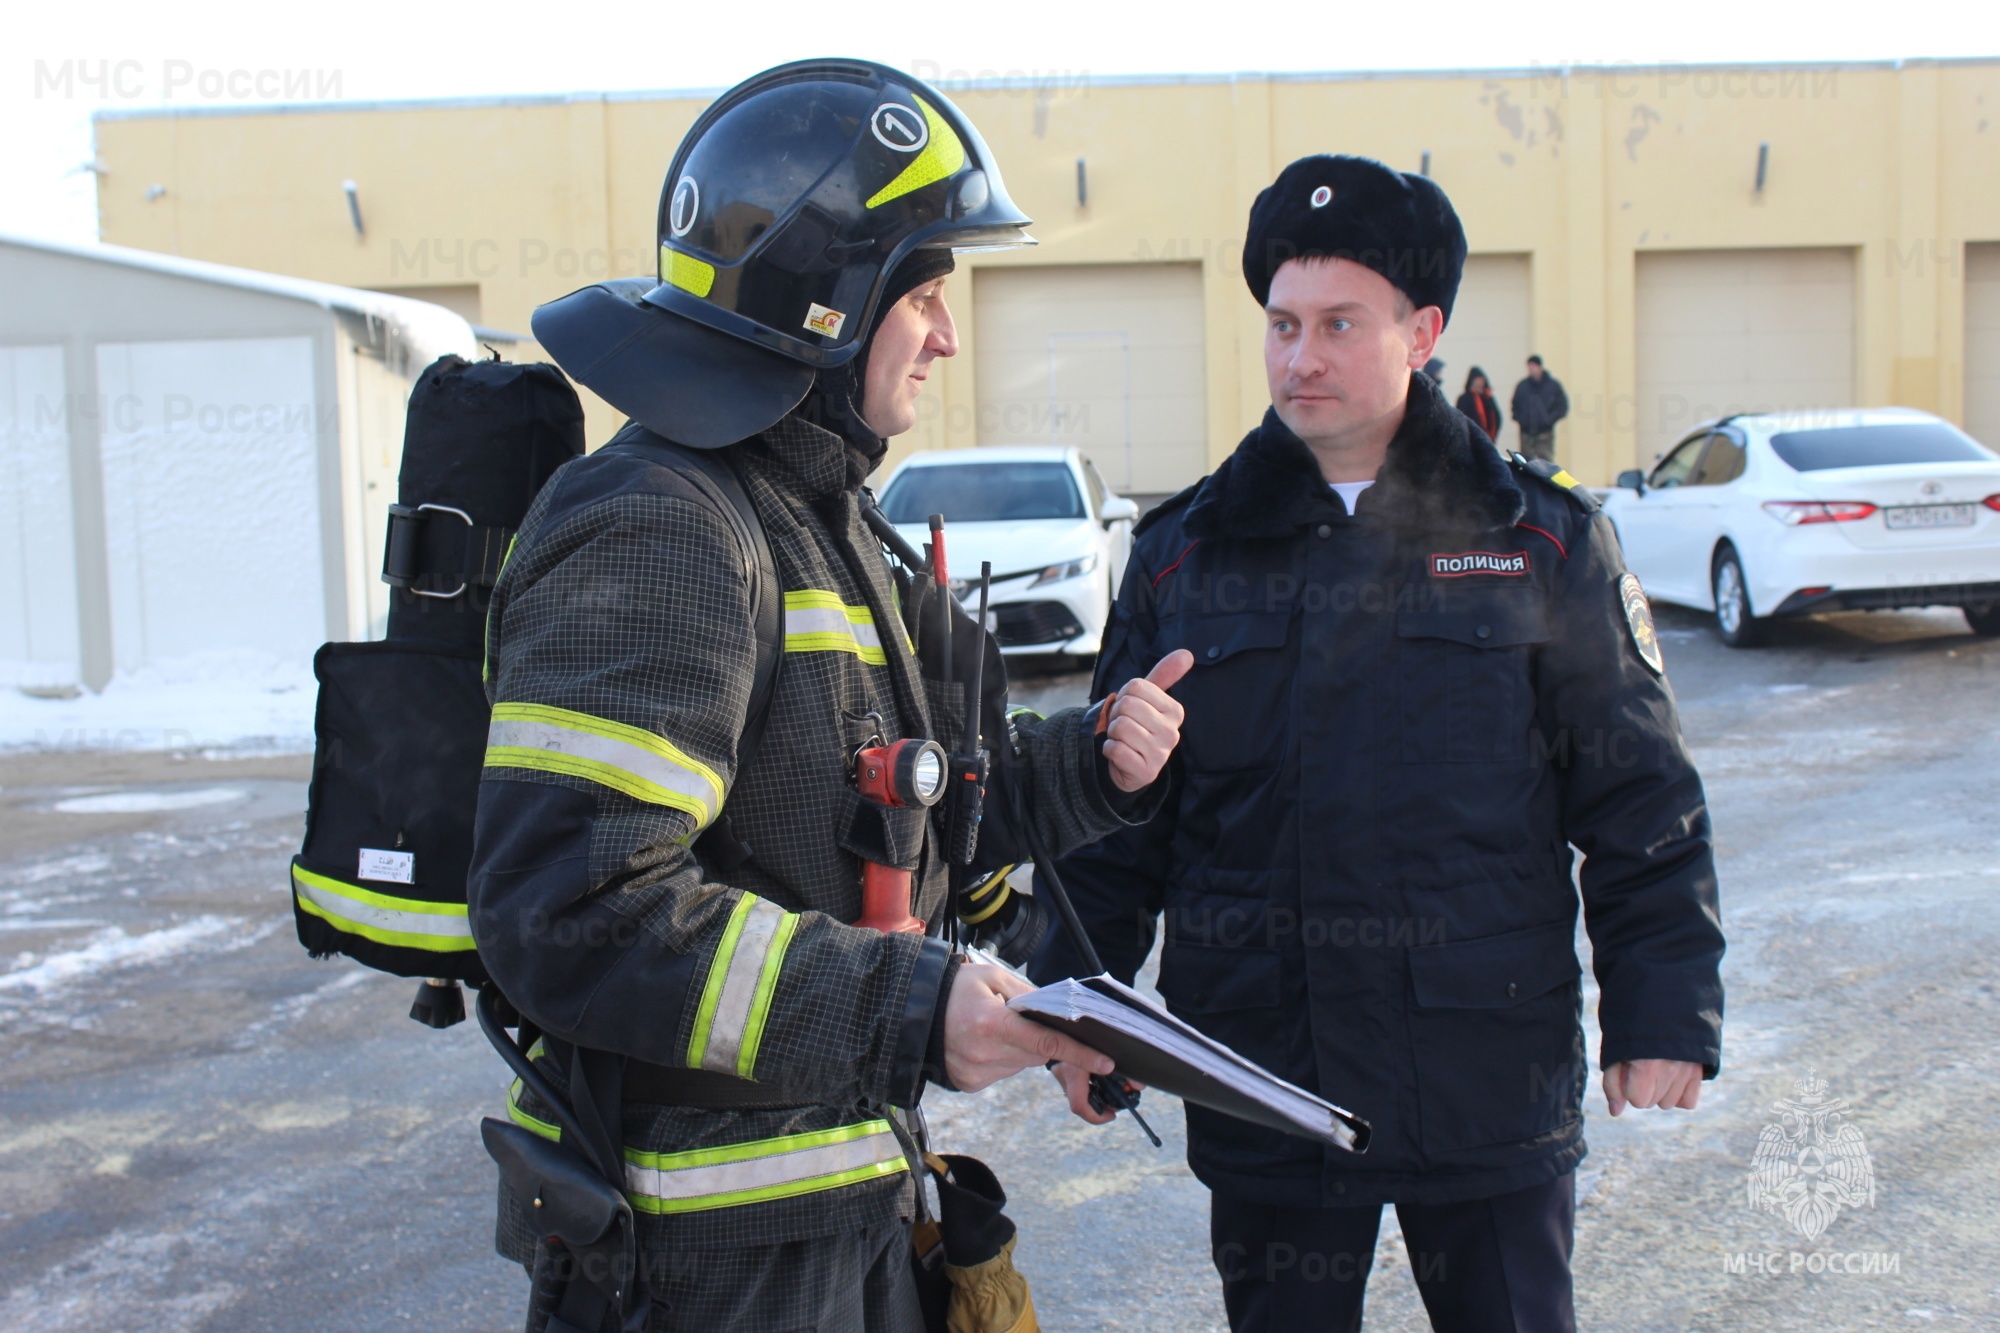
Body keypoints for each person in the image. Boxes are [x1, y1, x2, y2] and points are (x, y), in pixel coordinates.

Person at [471, 60, 1190, 1332]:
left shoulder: (816, 517)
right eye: (922, 291)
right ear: (827, 306)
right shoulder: (660, 528)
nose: (948, 334)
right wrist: (903, 1009)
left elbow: (898, 795)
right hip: (705, 1263)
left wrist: (1089, 767)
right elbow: (575, 907)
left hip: (833, 1210)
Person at [1036, 154, 1724, 1333]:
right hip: (1264, 1076)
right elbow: (1115, 810)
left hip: (1481, 1076)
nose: (1299, 356)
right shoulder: (1184, 556)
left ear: (1421, 330)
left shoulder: (1538, 542)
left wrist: (1659, 1008)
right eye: (1282, 323)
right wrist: (1078, 1010)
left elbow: (1634, 793)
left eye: (1338, 324)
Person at [1511, 354, 1569, 461]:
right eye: (1529, 366)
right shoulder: (1522, 386)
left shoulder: (1553, 386)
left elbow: (1562, 406)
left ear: (1539, 367)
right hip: (1526, 433)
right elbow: (1515, 405)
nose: (1531, 369)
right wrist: (1522, 420)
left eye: (1533, 366)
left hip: (1545, 433)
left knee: (1546, 461)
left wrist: (1548, 420)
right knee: (1526, 462)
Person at [1456, 365, 1503, 441]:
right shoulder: (1464, 399)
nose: (1480, 384)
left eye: (1482, 381)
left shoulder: (1488, 398)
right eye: (1478, 381)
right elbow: (1460, 418)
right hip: (1471, 439)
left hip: (1488, 438)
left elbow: (1496, 416)